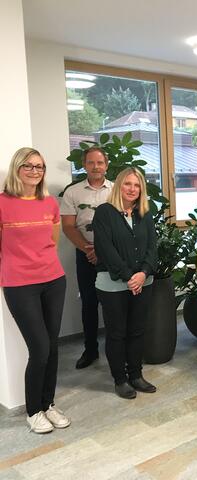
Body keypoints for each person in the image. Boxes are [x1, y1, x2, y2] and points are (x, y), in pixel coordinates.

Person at [0, 147, 70, 433]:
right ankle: (33, 411)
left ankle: (48, 403)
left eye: (39, 167)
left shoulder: (49, 203)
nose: (34, 171)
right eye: (28, 165)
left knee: (52, 346)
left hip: (53, 279)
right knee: (39, 348)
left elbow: (51, 242)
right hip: (19, 284)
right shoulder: (3, 203)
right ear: (17, 168)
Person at [93, 167, 158, 399]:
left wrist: (143, 274)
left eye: (137, 185)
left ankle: (136, 375)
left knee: (138, 331)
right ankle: (120, 379)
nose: (132, 189)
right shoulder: (104, 213)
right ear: (119, 185)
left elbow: (152, 248)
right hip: (113, 286)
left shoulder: (145, 213)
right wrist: (129, 277)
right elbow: (105, 250)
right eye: (128, 184)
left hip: (143, 282)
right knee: (117, 333)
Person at [61, 146, 113, 369]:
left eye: (100, 163)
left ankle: (115, 349)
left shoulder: (116, 189)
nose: (96, 167)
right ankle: (90, 350)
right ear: (84, 165)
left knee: (113, 304)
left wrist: (103, 251)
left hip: (112, 256)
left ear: (106, 165)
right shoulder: (73, 192)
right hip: (85, 255)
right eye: (91, 162)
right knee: (89, 304)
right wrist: (88, 250)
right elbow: (69, 227)